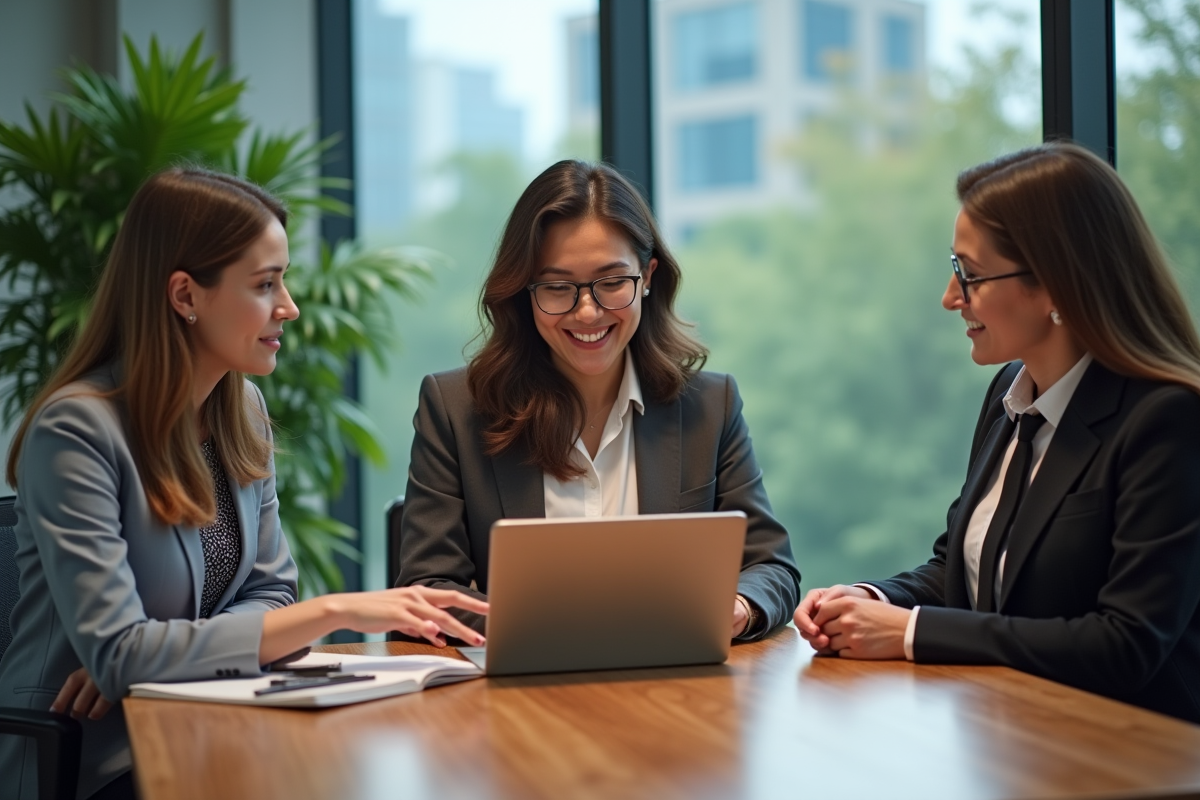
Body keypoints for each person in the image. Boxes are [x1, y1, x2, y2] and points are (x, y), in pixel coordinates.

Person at [0, 168, 487, 800]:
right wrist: (335, 610)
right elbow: (119, 654)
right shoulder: (76, 430)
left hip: (206, 721)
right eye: (264, 284)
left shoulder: (242, 409)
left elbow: (271, 592)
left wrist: (160, 658)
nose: (289, 306)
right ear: (185, 295)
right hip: (90, 759)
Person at [793, 142, 1200, 723]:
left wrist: (910, 632)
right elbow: (965, 568)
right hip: (1014, 735)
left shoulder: (1167, 418)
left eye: (970, 275)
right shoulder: (1010, 390)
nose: (950, 297)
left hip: (1130, 750)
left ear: (1055, 284)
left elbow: (1126, 644)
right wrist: (871, 599)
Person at [396, 159, 801, 640]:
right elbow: (427, 590)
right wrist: (563, 627)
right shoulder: (454, 409)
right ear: (524, 291)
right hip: (523, 680)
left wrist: (736, 607)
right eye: (557, 287)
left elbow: (771, 567)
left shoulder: (710, 406)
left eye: (611, 283)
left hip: (675, 680)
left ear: (647, 276)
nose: (587, 312)